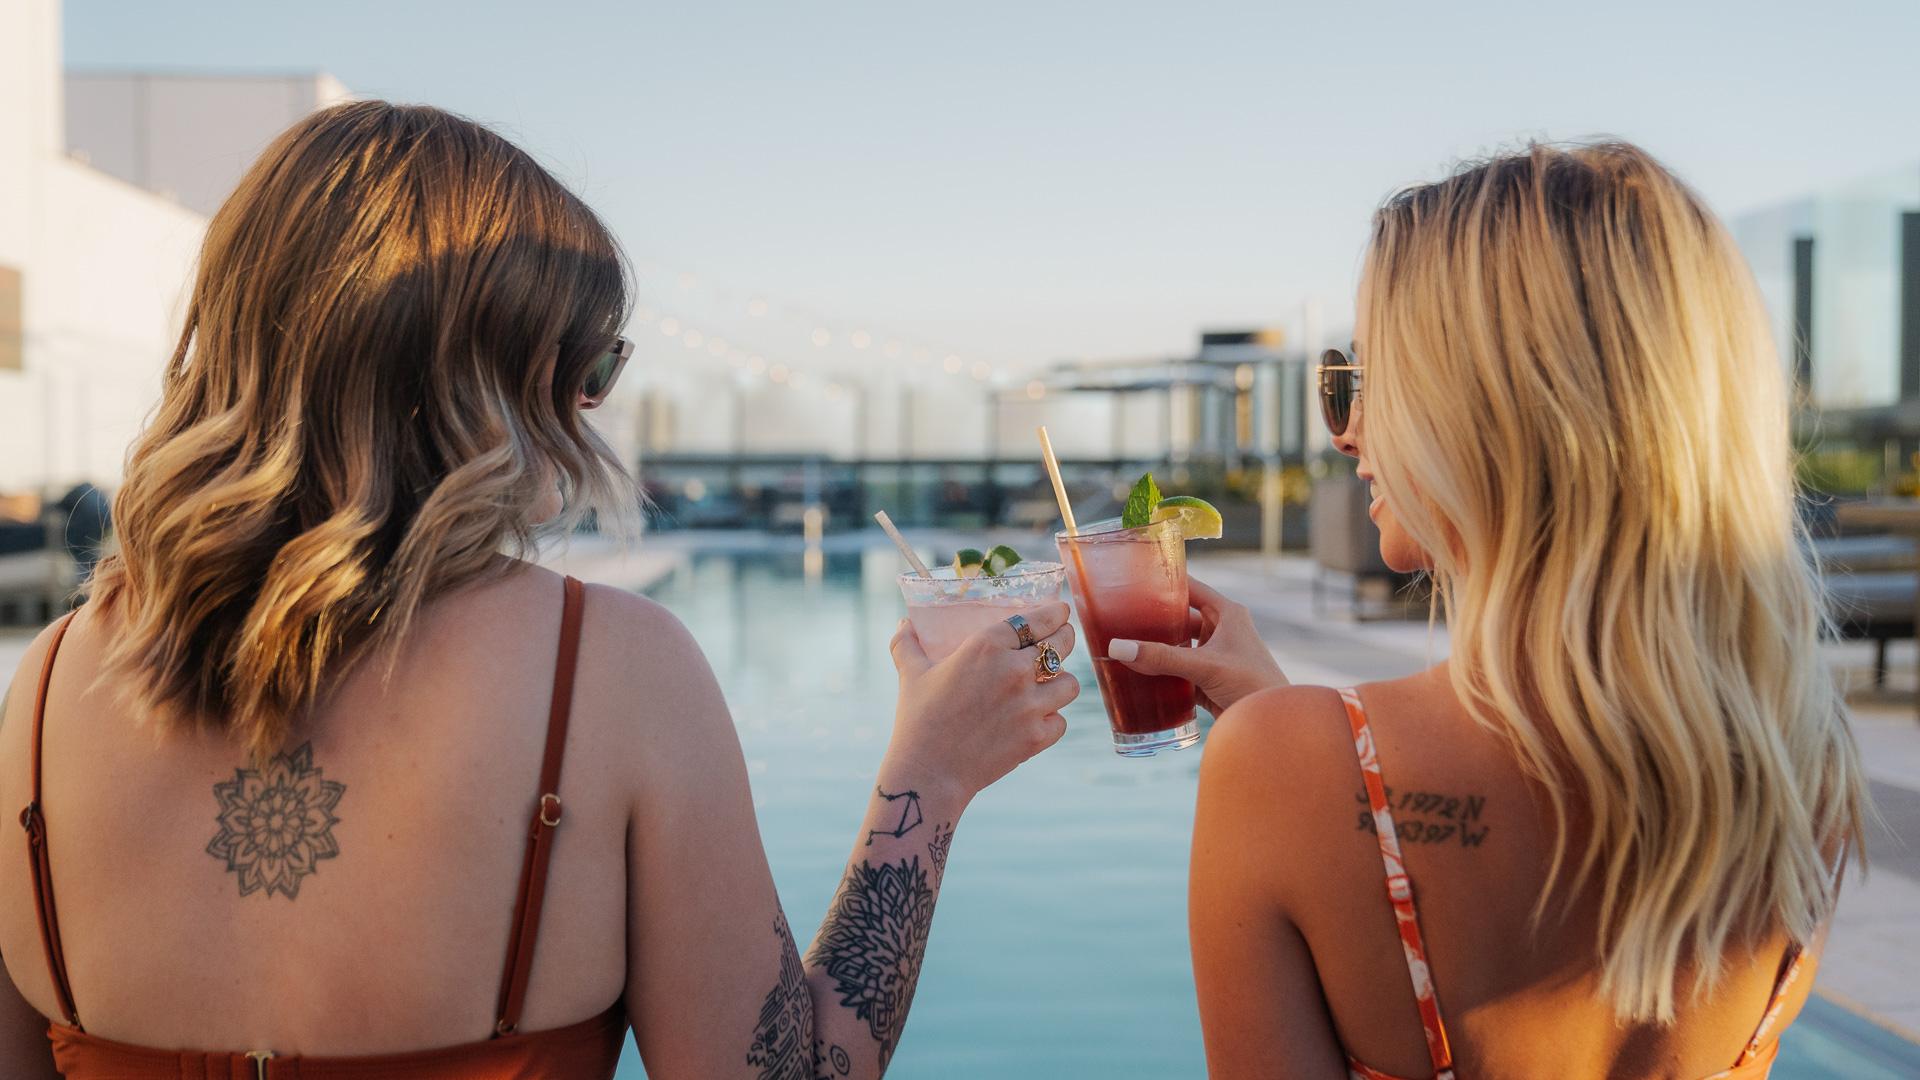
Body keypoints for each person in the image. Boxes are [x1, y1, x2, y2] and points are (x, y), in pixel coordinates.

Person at [0, 100, 1079, 1079]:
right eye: (590, 367)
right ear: (489, 376)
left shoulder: (46, 689)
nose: (591, 409)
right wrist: (927, 783)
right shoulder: (615, 672)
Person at [1108, 142, 1866, 1078]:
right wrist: (1294, 726)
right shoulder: (1807, 778)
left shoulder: (1276, 771)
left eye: (1373, 379)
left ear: (1489, 411)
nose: (1346, 432)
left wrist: (1285, 741)